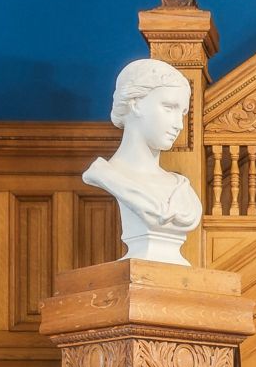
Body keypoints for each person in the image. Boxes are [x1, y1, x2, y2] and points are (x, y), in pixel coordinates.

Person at [82, 56, 202, 263]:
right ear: (135, 104)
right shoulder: (107, 175)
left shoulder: (182, 189)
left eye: (182, 113)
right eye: (168, 107)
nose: (179, 125)